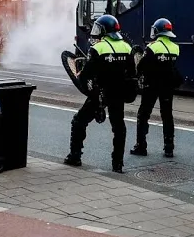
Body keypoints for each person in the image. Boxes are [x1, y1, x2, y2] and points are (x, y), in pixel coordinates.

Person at [65, 14, 135, 173]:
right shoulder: (127, 47)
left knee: (79, 121)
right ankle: (118, 164)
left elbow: (86, 75)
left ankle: (75, 156)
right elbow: (131, 73)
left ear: (104, 30)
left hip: (100, 94)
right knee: (119, 127)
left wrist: (80, 75)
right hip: (118, 94)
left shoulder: (98, 48)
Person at [132, 18, 182, 158]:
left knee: (143, 115)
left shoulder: (152, 47)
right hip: (168, 86)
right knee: (167, 115)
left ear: (157, 31)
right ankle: (169, 148)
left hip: (151, 86)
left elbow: (141, 66)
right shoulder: (175, 47)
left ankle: (141, 146)